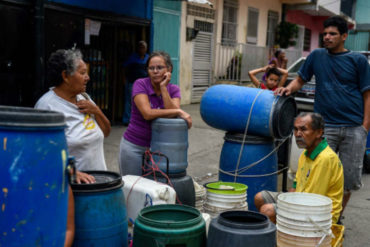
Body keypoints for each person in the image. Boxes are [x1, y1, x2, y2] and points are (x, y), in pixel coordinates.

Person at [275, 15, 370, 219]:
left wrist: (365, 126)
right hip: (324, 128)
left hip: (354, 128)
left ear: (344, 36)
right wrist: (287, 89)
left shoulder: (358, 60)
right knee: (317, 173)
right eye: (325, 33)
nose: (326, 37)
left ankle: (335, 219)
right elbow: (300, 80)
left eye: (332, 34)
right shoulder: (317, 56)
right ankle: (314, 215)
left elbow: (367, 94)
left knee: (348, 179)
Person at [35, 48, 111, 246]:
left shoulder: (84, 98)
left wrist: (97, 111)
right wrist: (71, 171)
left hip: (97, 184)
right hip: (72, 191)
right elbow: (41, 155)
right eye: (82, 72)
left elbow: (106, 132)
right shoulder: (47, 106)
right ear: (65, 76)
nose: (87, 77)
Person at [254, 112, 344, 224]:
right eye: (295, 129)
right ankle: (280, 234)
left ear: (319, 133)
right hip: (302, 201)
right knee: (260, 197)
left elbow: (312, 202)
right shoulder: (305, 153)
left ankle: (280, 236)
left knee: (268, 210)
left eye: (303, 129)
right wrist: (286, 199)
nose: (297, 134)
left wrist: (281, 206)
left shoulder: (325, 159)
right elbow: (296, 186)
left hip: (320, 215)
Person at [119, 51, 192, 176]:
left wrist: (164, 88)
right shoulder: (140, 84)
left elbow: (173, 118)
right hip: (134, 147)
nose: (155, 71)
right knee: (132, 189)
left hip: (160, 150)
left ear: (169, 69)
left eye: (159, 67)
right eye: (151, 68)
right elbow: (147, 113)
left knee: (155, 190)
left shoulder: (173, 89)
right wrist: (178, 111)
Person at [122, 41, 149, 125]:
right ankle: (127, 120)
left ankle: (139, 119)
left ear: (146, 49)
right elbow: (124, 68)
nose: (142, 49)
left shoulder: (148, 58)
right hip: (132, 82)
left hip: (144, 84)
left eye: (143, 47)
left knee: (142, 101)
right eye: (140, 47)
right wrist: (124, 79)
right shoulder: (132, 57)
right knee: (129, 101)